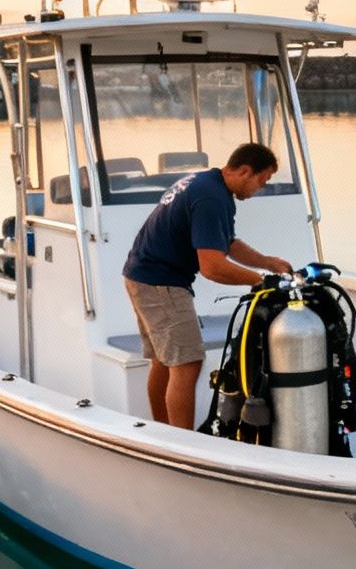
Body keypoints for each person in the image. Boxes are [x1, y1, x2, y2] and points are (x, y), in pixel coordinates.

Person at [123, 142, 294, 427]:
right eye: (261, 181)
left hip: (142, 275)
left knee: (164, 361)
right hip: (161, 283)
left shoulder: (208, 184)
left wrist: (267, 262)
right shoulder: (212, 197)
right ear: (244, 171)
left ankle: (163, 432)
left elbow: (224, 242)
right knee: (187, 364)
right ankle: (184, 446)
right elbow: (212, 267)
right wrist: (262, 281)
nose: (260, 189)